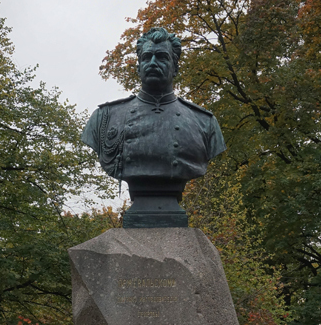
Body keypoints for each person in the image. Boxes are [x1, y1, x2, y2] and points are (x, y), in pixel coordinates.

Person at [82, 26, 225, 228]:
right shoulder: (105, 118)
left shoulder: (204, 122)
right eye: (147, 57)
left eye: (161, 57)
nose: (152, 63)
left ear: (175, 67)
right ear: (138, 66)